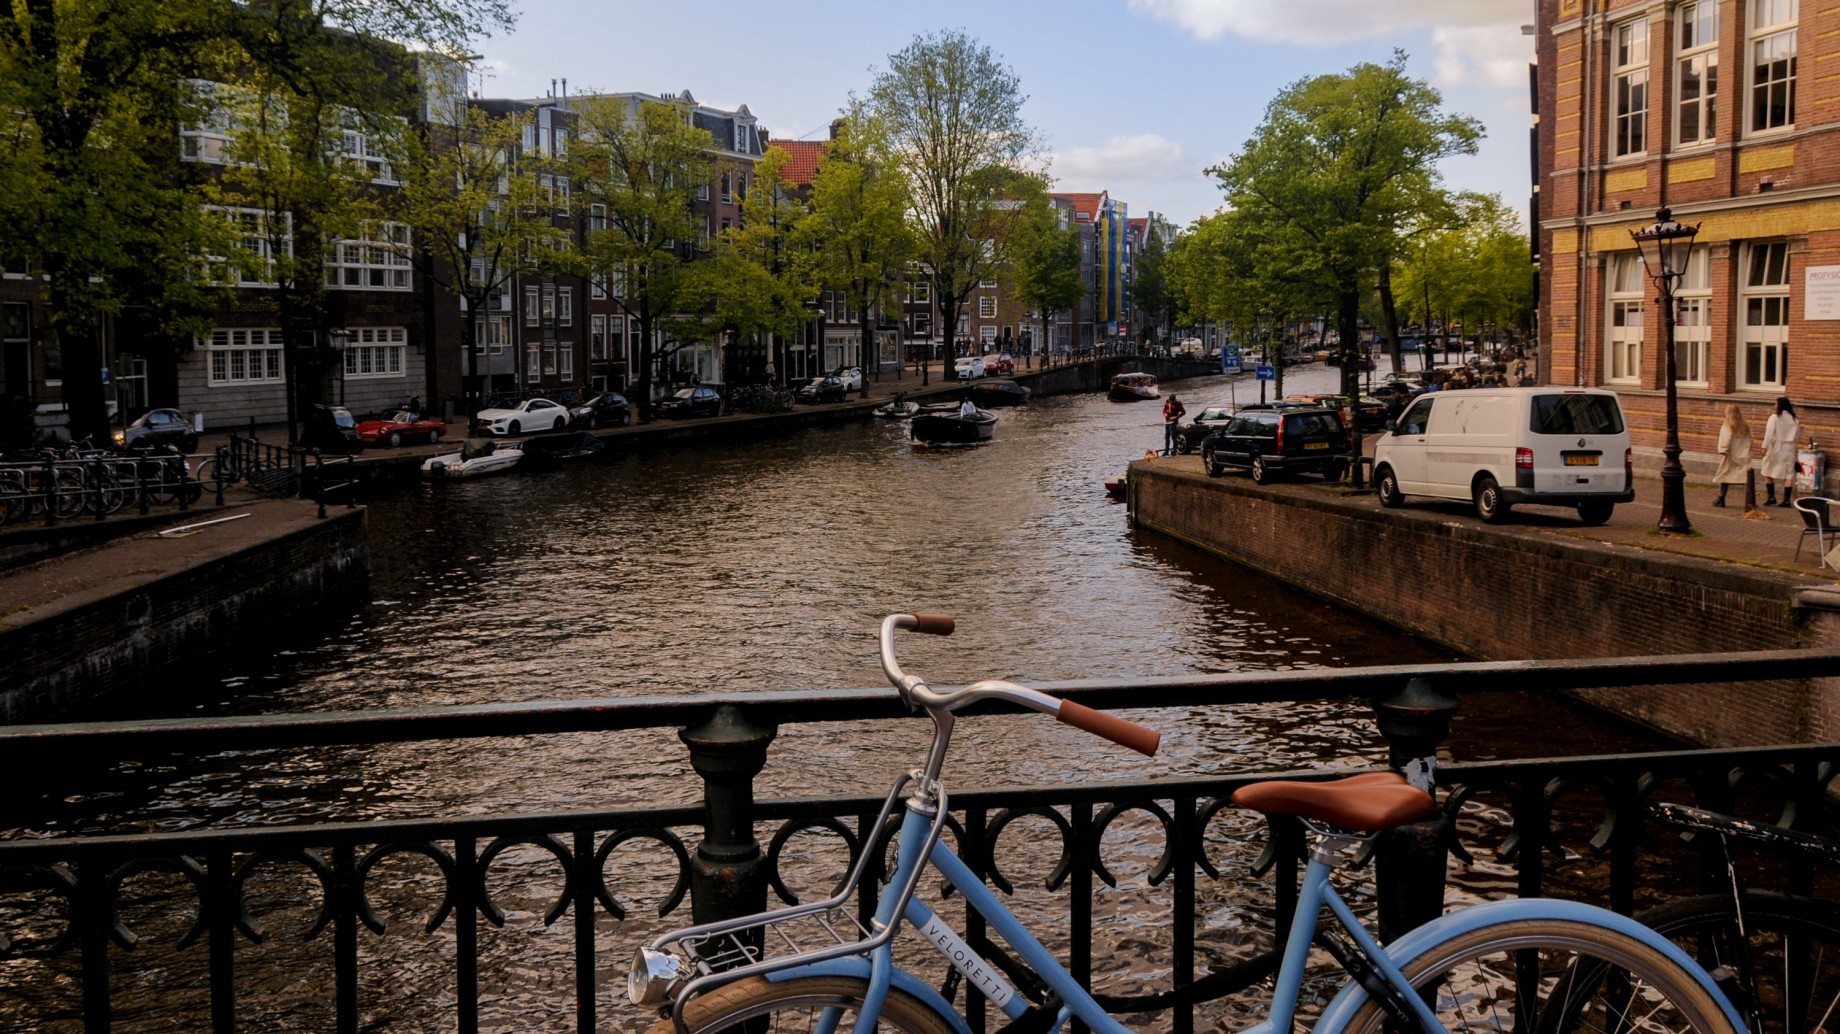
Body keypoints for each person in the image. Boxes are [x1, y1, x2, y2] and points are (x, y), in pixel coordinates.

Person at [1761, 396, 1801, 507]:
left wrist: (1764, 447)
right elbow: (1797, 436)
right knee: (1789, 474)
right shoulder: (1794, 420)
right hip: (1789, 448)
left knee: (1767, 470)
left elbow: (1769, 433)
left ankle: (1771, 497)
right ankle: (1786, 500)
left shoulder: (1774, 418)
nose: (1774, 406)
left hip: (1776, 447)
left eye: (1776, 404)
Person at [1711, 404, 1752, 508]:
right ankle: (1750, 500)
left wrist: (1723, 449)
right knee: (1744, 478)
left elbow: (1725, 438)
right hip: (1743, 454)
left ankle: (1721, 498)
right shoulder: (1745, 425)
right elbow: (1750, 439)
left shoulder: (1728, 425)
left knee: (1725, 476)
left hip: (1730, 454)